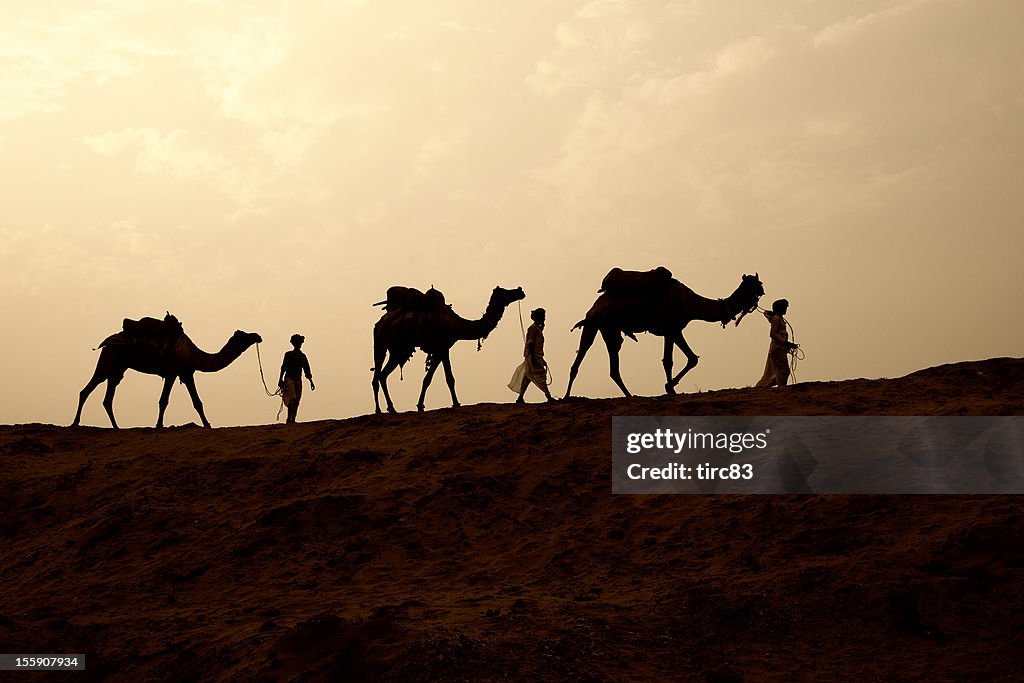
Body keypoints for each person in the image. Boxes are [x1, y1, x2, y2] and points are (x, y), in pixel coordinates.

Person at [508, 308, 555, 403]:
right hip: (533, 357)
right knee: (540, 376)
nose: (544, 318)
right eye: (543, 316)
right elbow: (530, 344)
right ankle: (549, 397)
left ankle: (520, 398)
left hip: (536, 357)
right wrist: (532, 358)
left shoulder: (537, 329)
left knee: (527, 377)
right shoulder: (533, 329)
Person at [755, 299, 798, 388]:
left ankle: (763, 387)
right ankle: (781, 388)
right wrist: (785, 343)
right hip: (777, 349)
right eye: (785, 307)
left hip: (779, 348)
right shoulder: (776, 319)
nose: (786, 310)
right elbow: (773, 334)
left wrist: (788, 344)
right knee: (783, 371)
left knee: (775, 372)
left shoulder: (778, 318)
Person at [279, 334, 315, 423]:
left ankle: (292, 419)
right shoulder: (288, 355)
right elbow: (283, 367)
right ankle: (289, 418)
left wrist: (311, 381)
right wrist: (280, 379)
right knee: (292, 398)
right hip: (289, 379)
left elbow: (307, 369)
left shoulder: (302, 356)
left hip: (298, 380)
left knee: (296, 401)